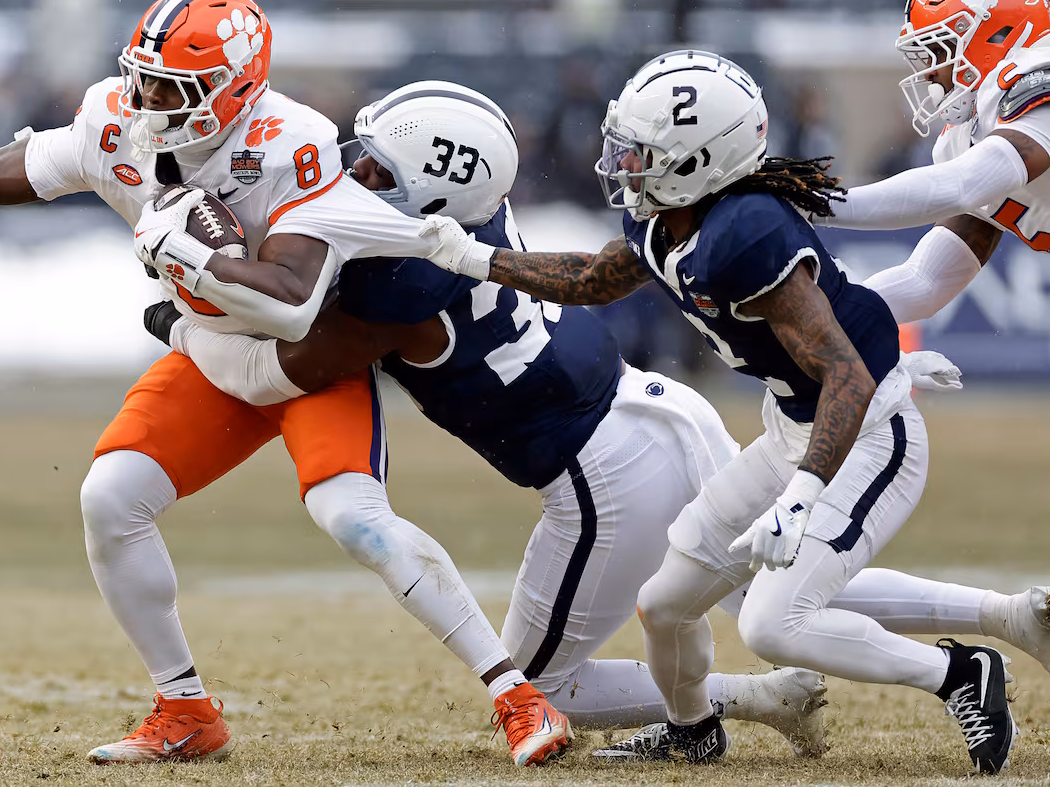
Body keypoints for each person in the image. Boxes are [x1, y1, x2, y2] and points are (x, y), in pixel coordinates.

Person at [150, 78, 1050, 766]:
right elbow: (589, 277)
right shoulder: (597, 221)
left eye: (376, 168)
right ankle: (992, 620)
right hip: (668, 413)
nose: (352, 173)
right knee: (724, 595)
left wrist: (187, 308)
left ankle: (914, 677)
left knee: (685, 639)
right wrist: (481, 254)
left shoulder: (401, 286)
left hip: (620, 461)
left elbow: (291, 361)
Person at [0, 0, 571, 768]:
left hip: (304, 359)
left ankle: (515, 695)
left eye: (169, 87)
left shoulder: (292, 142)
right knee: (110, 499)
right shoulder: (115, 122)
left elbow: (290, 302)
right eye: (140, 78)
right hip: (213, 355)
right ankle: (184, 708)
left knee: (357, 520)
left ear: (235, 87)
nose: (144, 101)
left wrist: (194, 258)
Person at [414, 50, 1021, 774]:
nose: (622, 164)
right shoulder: (671, 217)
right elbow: (590, 278)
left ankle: (958, 675)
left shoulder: (746, 234)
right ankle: (692, 727)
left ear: (700, 159)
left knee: (774, 622)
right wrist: (474, 260)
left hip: (866, 430)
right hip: (794, 426)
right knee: (666, 603)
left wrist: (799, 499)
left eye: (641, 153)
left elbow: (847, 378)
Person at [817, 0, 1050, 324]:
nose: (929, 73)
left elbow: (964, 184)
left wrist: (815, 202)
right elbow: (926, 280)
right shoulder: (971, 133)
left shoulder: (1039, 76)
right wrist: (827, 322)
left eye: (940, 50)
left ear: (997, 33)